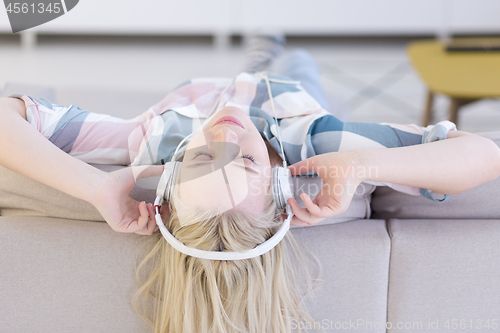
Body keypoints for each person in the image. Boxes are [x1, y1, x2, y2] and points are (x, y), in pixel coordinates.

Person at [1, 34, 500, 332]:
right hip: (288, 99)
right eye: (245, 164)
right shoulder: (322, 144)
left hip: (198, 90)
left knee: (260, 61)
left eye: (203, 160)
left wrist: (94, 186)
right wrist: (364, 165)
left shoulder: (145, 145)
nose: (226, 136)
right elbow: (485, 155)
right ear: (282, 190)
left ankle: (265, 49)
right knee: (299, 65)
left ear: (168, 179)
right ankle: (279, 49)